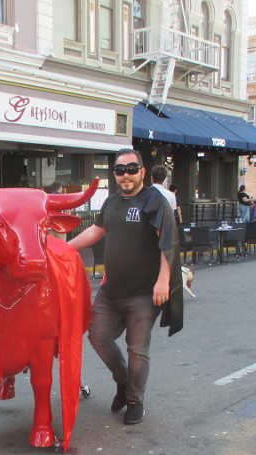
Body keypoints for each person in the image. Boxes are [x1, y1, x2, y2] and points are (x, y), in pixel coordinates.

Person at [67, 148, 182, 425]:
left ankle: (134, 400)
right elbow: (96, 231)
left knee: (137, 349)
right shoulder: (111, 202)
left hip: (144, 293)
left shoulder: (154, 201)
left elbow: (168, 242)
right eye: (120, 170)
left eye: (131, 169)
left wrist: (163, 281)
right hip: (111, 290)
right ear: (115, 174)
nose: (126, 175)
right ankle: (123, 381)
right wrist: (63, 248)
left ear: (142, 171)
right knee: (98, 336)